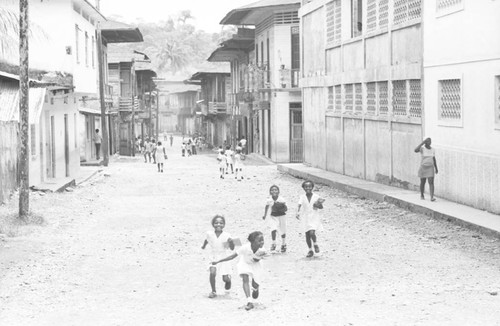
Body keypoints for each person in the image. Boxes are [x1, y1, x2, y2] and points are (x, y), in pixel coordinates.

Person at [212, 231, 267, 311]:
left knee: (255, 286)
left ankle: (255, 288)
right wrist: (218, 261)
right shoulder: (245, 248)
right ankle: (249, 302)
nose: (262, 242)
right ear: (252, 241)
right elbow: (232, 256)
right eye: (259, 240)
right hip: (245, 263)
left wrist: (258, 258)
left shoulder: (262, 250)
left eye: (263, 240)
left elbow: (259, 259)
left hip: (256, 266)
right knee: (245, 279)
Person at [201, 215, 235, 299]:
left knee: (225, 278)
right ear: (213, 224)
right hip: (213, 255)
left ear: (224, 225)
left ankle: (228, 280)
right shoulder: (209, 234)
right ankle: (213, 291)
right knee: (212, 272)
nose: (218, 224)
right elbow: (207, 240)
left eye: (221, 223)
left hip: (223, 256)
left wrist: (231, 242)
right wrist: (203, 246)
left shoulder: (227, 235)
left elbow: (232, 248)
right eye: (216, 223)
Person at [296, 180, 325, 258]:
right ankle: (310, 250)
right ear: (303, 188)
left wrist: (318, 204)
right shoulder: (302, 197)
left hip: (314, 216)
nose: (308, 188)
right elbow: (299, 205)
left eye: (309, 186)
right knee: (307, 235)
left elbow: (321, 207)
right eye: (306, 187)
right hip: (305, 217)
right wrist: (297, 212)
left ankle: (315, 244)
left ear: (312, 187)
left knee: (312, 232)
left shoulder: (316, 196)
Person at [262, 185, 288, 253]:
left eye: (275, 190)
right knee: (273, 229)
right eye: (272, 190)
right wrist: (265, 215)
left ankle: (283, 244)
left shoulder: (281, 199)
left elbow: (285, 208)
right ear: (270, 192)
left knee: (282, 230)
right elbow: (266, 207)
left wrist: (279, 206)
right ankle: (273, 243)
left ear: (278, 191)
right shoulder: (269, 200)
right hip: (273, 216)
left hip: (281, 216)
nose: (274, 191)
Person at [415, 137, 438, 201]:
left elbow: (434, 159)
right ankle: (422, 194)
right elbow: (415, 150)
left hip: (430, 167)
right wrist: (422, 143)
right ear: (425, 142)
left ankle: (432, 197)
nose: (429, 142)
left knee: (431, 182)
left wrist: (436, 167)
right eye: (428, 141)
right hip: (423, 167)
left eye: (430, 141)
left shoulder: (433, 149)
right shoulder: (422, 149)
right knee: (423, 182)